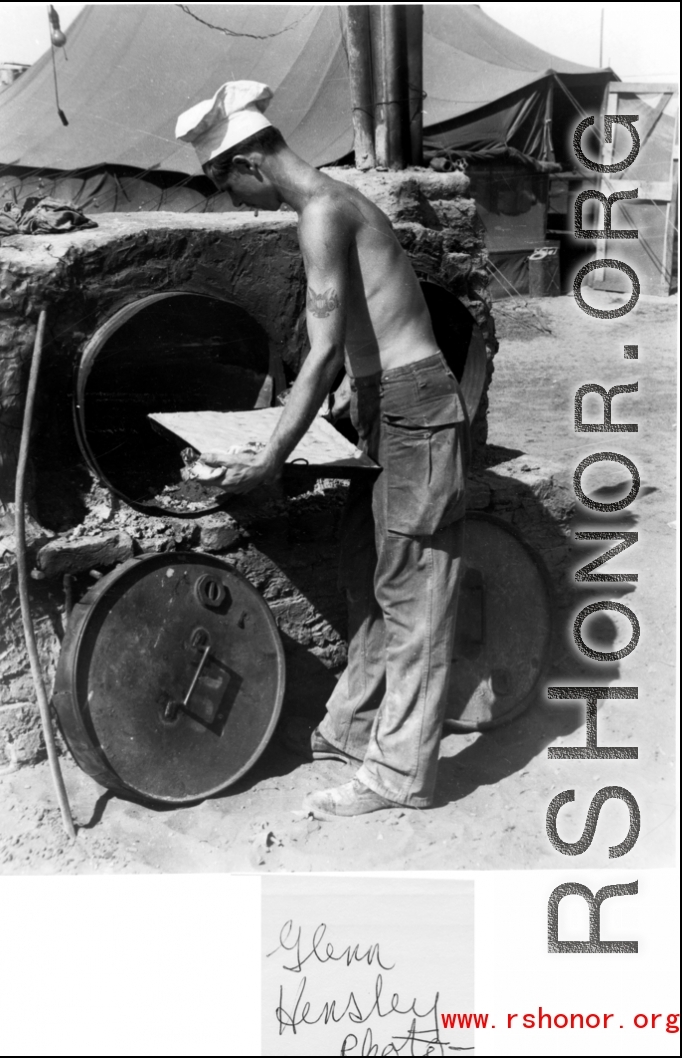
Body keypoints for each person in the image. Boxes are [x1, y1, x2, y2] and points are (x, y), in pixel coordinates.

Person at [176, 81, 469, 819]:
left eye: (231, 186)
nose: (242, 203)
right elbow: (356, 349)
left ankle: (400, 774)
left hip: (415, 407)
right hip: (383, 403)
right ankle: (353, 730)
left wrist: (270, 456)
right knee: (363, 573)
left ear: (245, 163)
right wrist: (337, 414)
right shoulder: (334, 206)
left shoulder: (322, 214)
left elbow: (323, 351)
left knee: (415, 591)